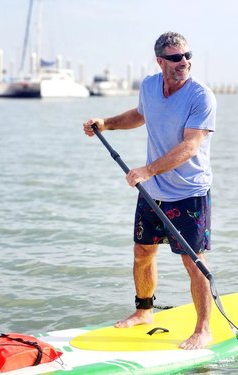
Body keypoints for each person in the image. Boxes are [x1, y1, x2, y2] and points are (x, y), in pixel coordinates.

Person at [83, 31, 216, 350]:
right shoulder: (149, 86)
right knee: (142, 253)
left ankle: (203, 328)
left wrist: (147, 170)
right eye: (175, 58)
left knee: (192, 261)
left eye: (187, 55)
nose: (184, 62)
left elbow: (191, 144)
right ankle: (144, 311)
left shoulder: (201, 96)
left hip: (189, 192)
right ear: (160, 62)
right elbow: (140, 115)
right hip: (152, 192)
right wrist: (107, 123)